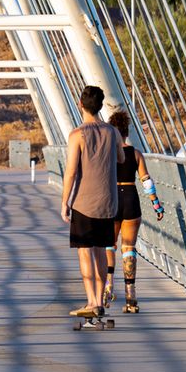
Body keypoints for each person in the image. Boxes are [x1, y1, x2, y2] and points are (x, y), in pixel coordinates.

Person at [60, 86, 125, 317]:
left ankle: (92, 302)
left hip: (83, 203)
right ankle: (99, 300)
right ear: (100, 106)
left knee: (85, 252)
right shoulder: (113, 132)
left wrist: (65, 202)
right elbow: (120, 158)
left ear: (80, 104)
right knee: (100, 251)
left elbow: (70, 172)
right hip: (108, 202)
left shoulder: (77, 135)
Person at [104, 109, 164, 313]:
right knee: (128, 247)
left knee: (108, 244)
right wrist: (156, 204)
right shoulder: (136, 154)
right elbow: (146, 181)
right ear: (127, 131)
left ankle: (108, 285)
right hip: (130, 197)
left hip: (111, 199)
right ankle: (131, 298)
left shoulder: (107, 153)